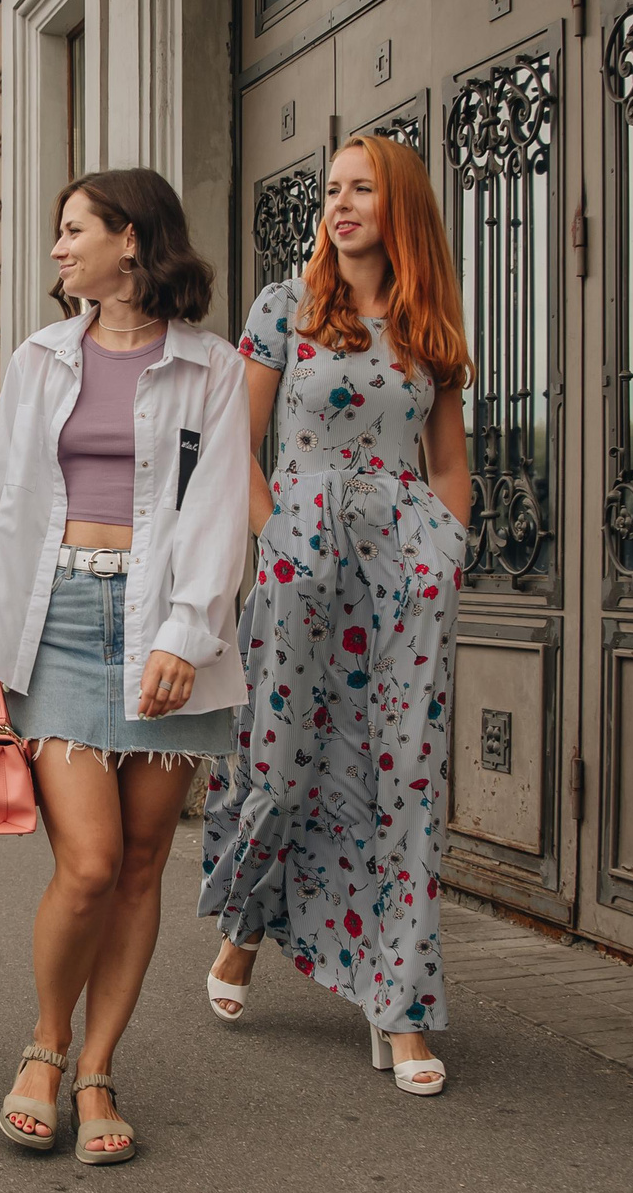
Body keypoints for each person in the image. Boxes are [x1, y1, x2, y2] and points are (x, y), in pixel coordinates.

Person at [0, 169, 247, 1165]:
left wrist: (185, 635)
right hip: (61, 618)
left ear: (131, 241)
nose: (55, 248)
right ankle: (44, 1045)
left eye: (70, 229)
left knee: (137, 861)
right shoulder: (40, 359)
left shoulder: (209, 367)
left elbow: (215, 508)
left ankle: (98, 1069)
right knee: (85, 861)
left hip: (164, 629)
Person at [198, 133, 473, 1097]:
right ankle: (245, 930)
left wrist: (444, 551)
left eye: (361, 189)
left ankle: (398, 1006)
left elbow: (450, 465)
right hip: (301, 561)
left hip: (404, 574)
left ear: (399, 207)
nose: (340, 204)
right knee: (284, 762)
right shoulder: (284, 310)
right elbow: (236, 442)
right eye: (331, 189)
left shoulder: (429, 321)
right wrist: (279, 542)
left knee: (403, 778)